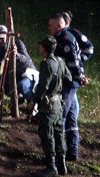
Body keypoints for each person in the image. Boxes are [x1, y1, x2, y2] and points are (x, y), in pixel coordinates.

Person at [49, 13, 88, 162]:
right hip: (69, 81)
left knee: (62, 115)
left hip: (70, 83)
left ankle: (59, 153)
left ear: (59, 26)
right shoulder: (60, 38)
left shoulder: (66, 40)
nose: (49, 28)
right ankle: (72, 151)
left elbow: (74, 62)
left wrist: (79, 77)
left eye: (51, 26)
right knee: (71, 117)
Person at [34, 36, 72, 176]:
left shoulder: (47, 64)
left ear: (44, 48)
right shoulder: (60, 61)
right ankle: (61, 164)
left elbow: (42, 85)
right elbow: (69, 79)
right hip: (58, 104)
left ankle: (51, 167)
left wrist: (35, 100)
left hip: (48, 106)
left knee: (47, 134)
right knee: (58, 132)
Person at [0, 25, 37, 104]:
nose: (1, 41)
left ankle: (33, 102)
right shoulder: (2, 49)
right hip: (13, 75)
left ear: (8, 37)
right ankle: (17, 98)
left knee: (22, 85)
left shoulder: (18, 43)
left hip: (26, 74)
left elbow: (26, 60)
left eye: (2, 38)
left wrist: (16, 55)